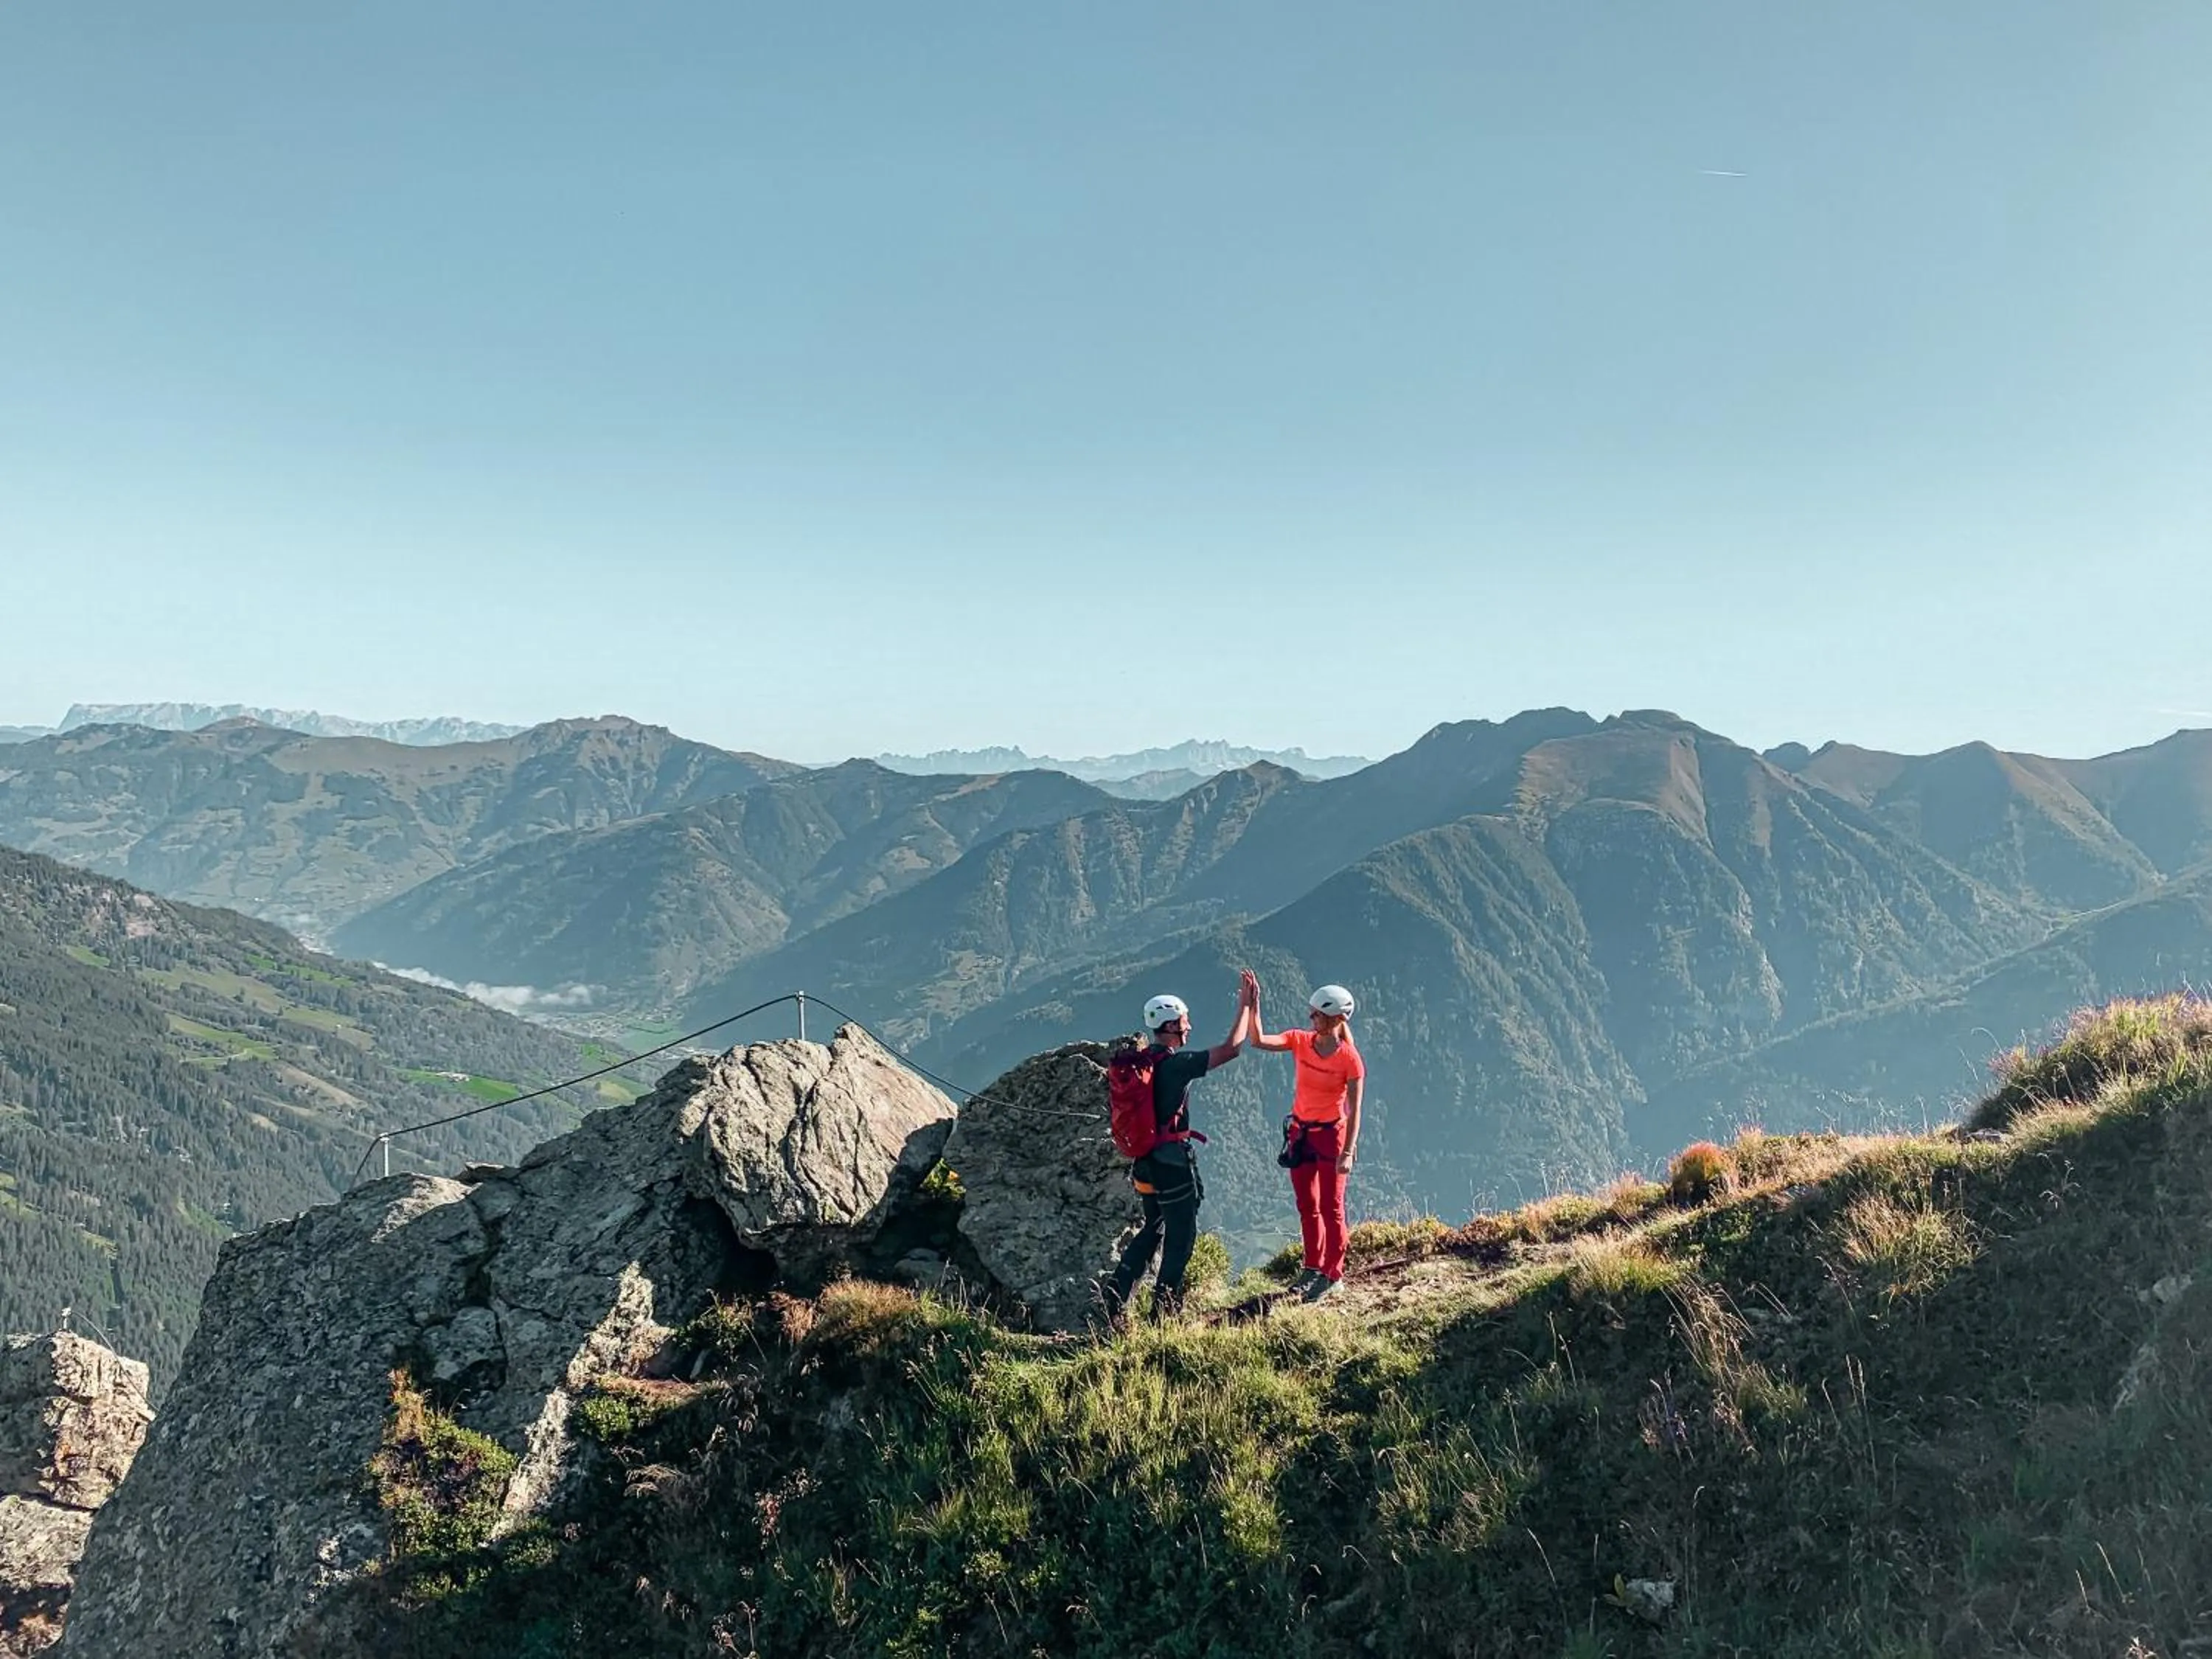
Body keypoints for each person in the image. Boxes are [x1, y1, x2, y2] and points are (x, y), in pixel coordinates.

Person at [1100, 978, 1255, 1322]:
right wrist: (1245, 1007)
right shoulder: (1176, 1065)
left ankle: (1114, 1297)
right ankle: (1163, 1314)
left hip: (1144, 1162)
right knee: (1181, 1236)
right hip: (1172, 1164)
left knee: (1153, 1226)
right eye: (1184, 1021)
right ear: (1170, 1025)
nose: (1189, 1027)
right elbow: (1231, 1050)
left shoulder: (1144, 1063)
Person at [1243, 970, 1366, 1303]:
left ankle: (1333, 1275)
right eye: (1311, 1013)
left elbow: (1355, 1110)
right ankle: (1313, 1267)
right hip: (1301, 1135)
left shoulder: (1350, 1060)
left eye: (1318, 1015)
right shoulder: (1300, 1041)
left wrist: (1348, 1152)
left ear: (1337, 1019)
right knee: (1307, 1206)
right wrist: (1252, 1006)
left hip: (1331, 1137)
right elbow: (1259, 1040)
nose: (1311, 1019)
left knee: (1331, 1208)